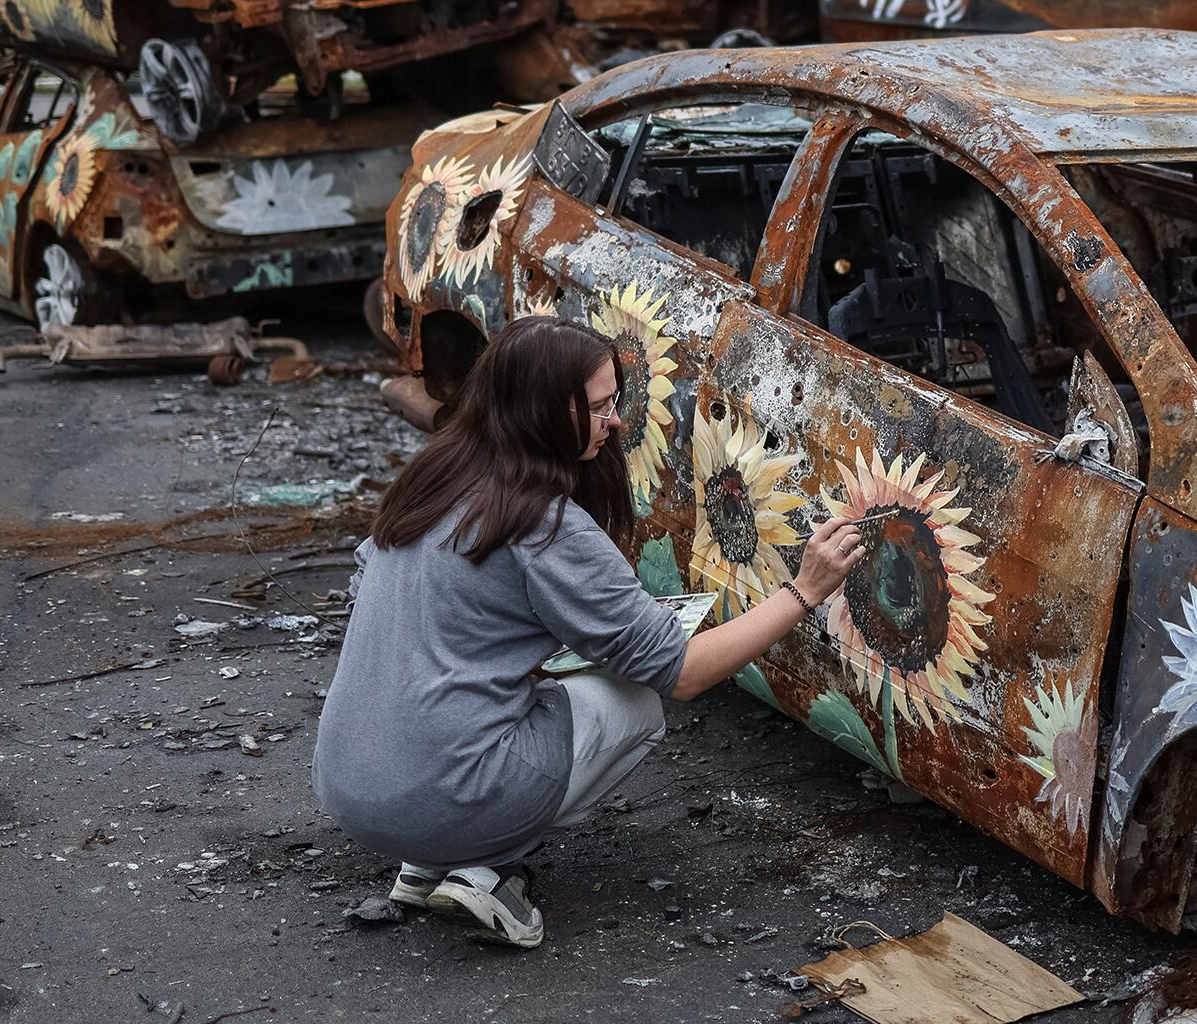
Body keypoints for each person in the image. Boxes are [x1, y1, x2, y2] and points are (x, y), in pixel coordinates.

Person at [312, 315, 866, 947]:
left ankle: (425, 862)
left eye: (616, 401)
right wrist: (805, 590)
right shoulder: (542, 525)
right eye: (600, 406)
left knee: (522, 691)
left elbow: (373, 588)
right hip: (442, 795)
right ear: (542, 412)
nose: (618, 422)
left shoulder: (431, 477)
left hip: (347, 783)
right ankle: (481, 866)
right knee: (633, 700)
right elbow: (683, 674)